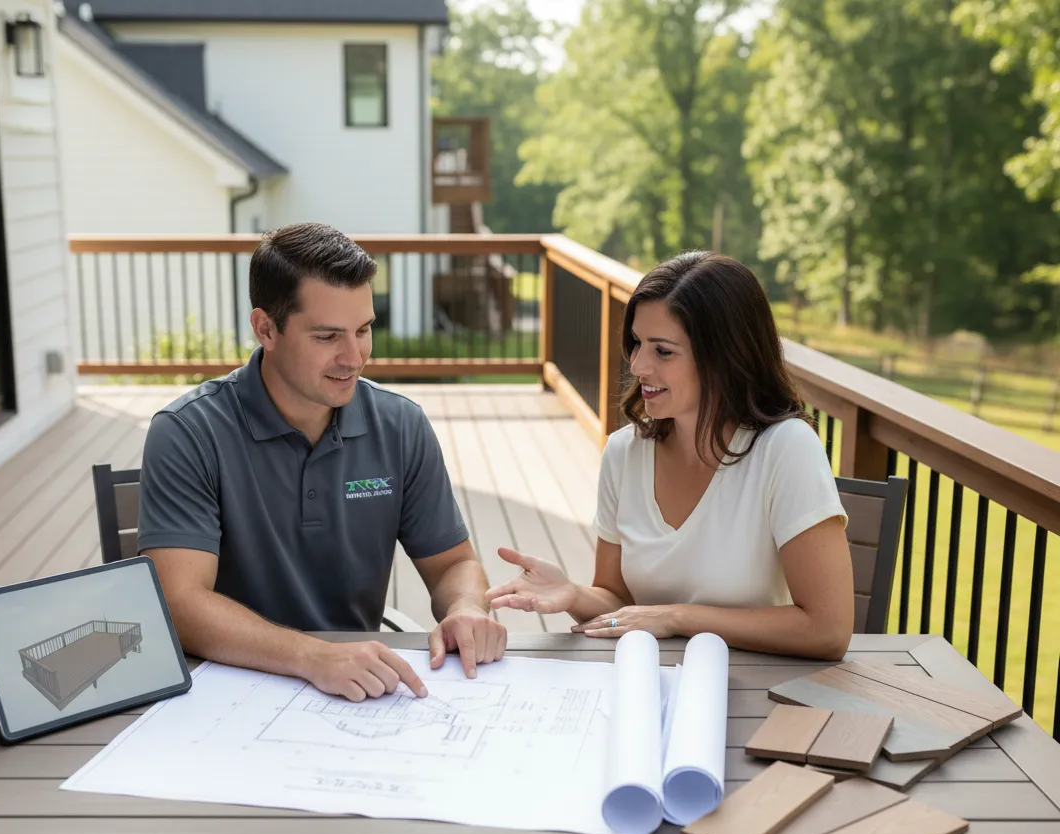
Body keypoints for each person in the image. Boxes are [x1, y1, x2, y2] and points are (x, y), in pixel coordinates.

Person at [137, 222, 507, 701]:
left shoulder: (400, 426)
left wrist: (467, 607)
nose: (354, 356)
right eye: (327, 336)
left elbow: (453, 563)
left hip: (355, 690)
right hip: (222, 690)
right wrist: (311, 657)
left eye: (364, 329)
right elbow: (179, 602)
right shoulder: (188, 432)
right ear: (265, 328)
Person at [487, 251, 854, 660]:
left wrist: (680, 618)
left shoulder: (786, 449)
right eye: (638, 343)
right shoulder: (624, 453)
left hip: (760, 693)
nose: (638, 365)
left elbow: (828, 630)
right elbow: (620, 600)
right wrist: (572, 593)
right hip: (648, 681)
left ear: (724, 356)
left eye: (663, 351)